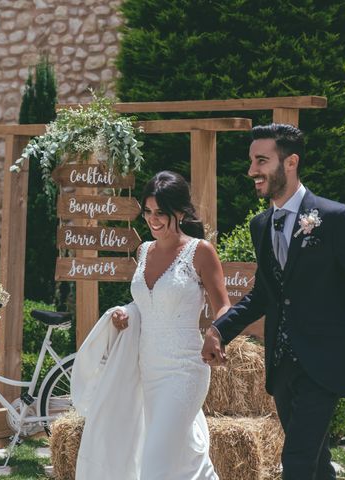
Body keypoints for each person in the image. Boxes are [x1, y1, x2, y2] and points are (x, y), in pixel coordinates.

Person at [201, 123, 345, 480]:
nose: (252, 171)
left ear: (291, 162)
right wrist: (219, 329)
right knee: (316, 466)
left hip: (324, 362)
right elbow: (264, 295)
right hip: (283, 364)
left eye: (261, 161)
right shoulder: (261, 225)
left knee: (297, 461)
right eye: (251, 162)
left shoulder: (334, 219)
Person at [71, 171, 231, 480]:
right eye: (148, 212)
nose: (153, 219)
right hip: (147, 371)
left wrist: (215, 332)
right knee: (185, 459)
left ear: (181, 212)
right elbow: (146, 305)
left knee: (155, 465)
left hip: (184, 372)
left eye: (161, 213)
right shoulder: (143, 250)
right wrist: (123, 315)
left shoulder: (200, 251)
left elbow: (223, 305)